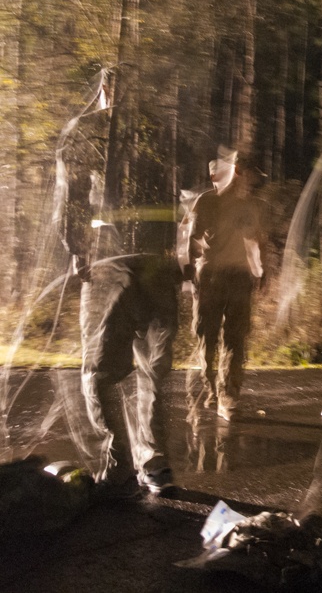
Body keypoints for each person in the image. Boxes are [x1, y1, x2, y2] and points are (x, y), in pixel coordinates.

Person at [57, 132, 181, 498]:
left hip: (115, 268)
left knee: (104, 369)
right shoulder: (155, 125)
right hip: (144, 268)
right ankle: (149, 464)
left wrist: (78, 250)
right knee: (145, 371)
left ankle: (127, 464)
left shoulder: (93, 132)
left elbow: (74, 194)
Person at [185, 152, 266, 421]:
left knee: (235, 337)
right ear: (217, 176)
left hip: (239, 277)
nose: (237, 177)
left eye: (240, 172)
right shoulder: (206, 202)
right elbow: (192, 239)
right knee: (206, 336)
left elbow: (254, 240)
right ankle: (210, 386)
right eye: (233, 171)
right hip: (210, 276)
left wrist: (260, 270)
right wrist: (190, 270)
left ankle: (228, 396)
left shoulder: (249, 206)